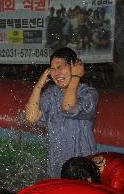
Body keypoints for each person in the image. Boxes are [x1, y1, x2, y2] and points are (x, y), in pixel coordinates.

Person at [24, 47, 98, 178]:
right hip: (56, 169)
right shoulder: (51, 94)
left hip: (83, 171)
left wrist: (76, 76)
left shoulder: (88, 94)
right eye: (53, 69)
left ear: (74, 67)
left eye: (61, 66)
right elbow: (31, 117)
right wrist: (39, 85)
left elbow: (69, 108)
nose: (57, 73)